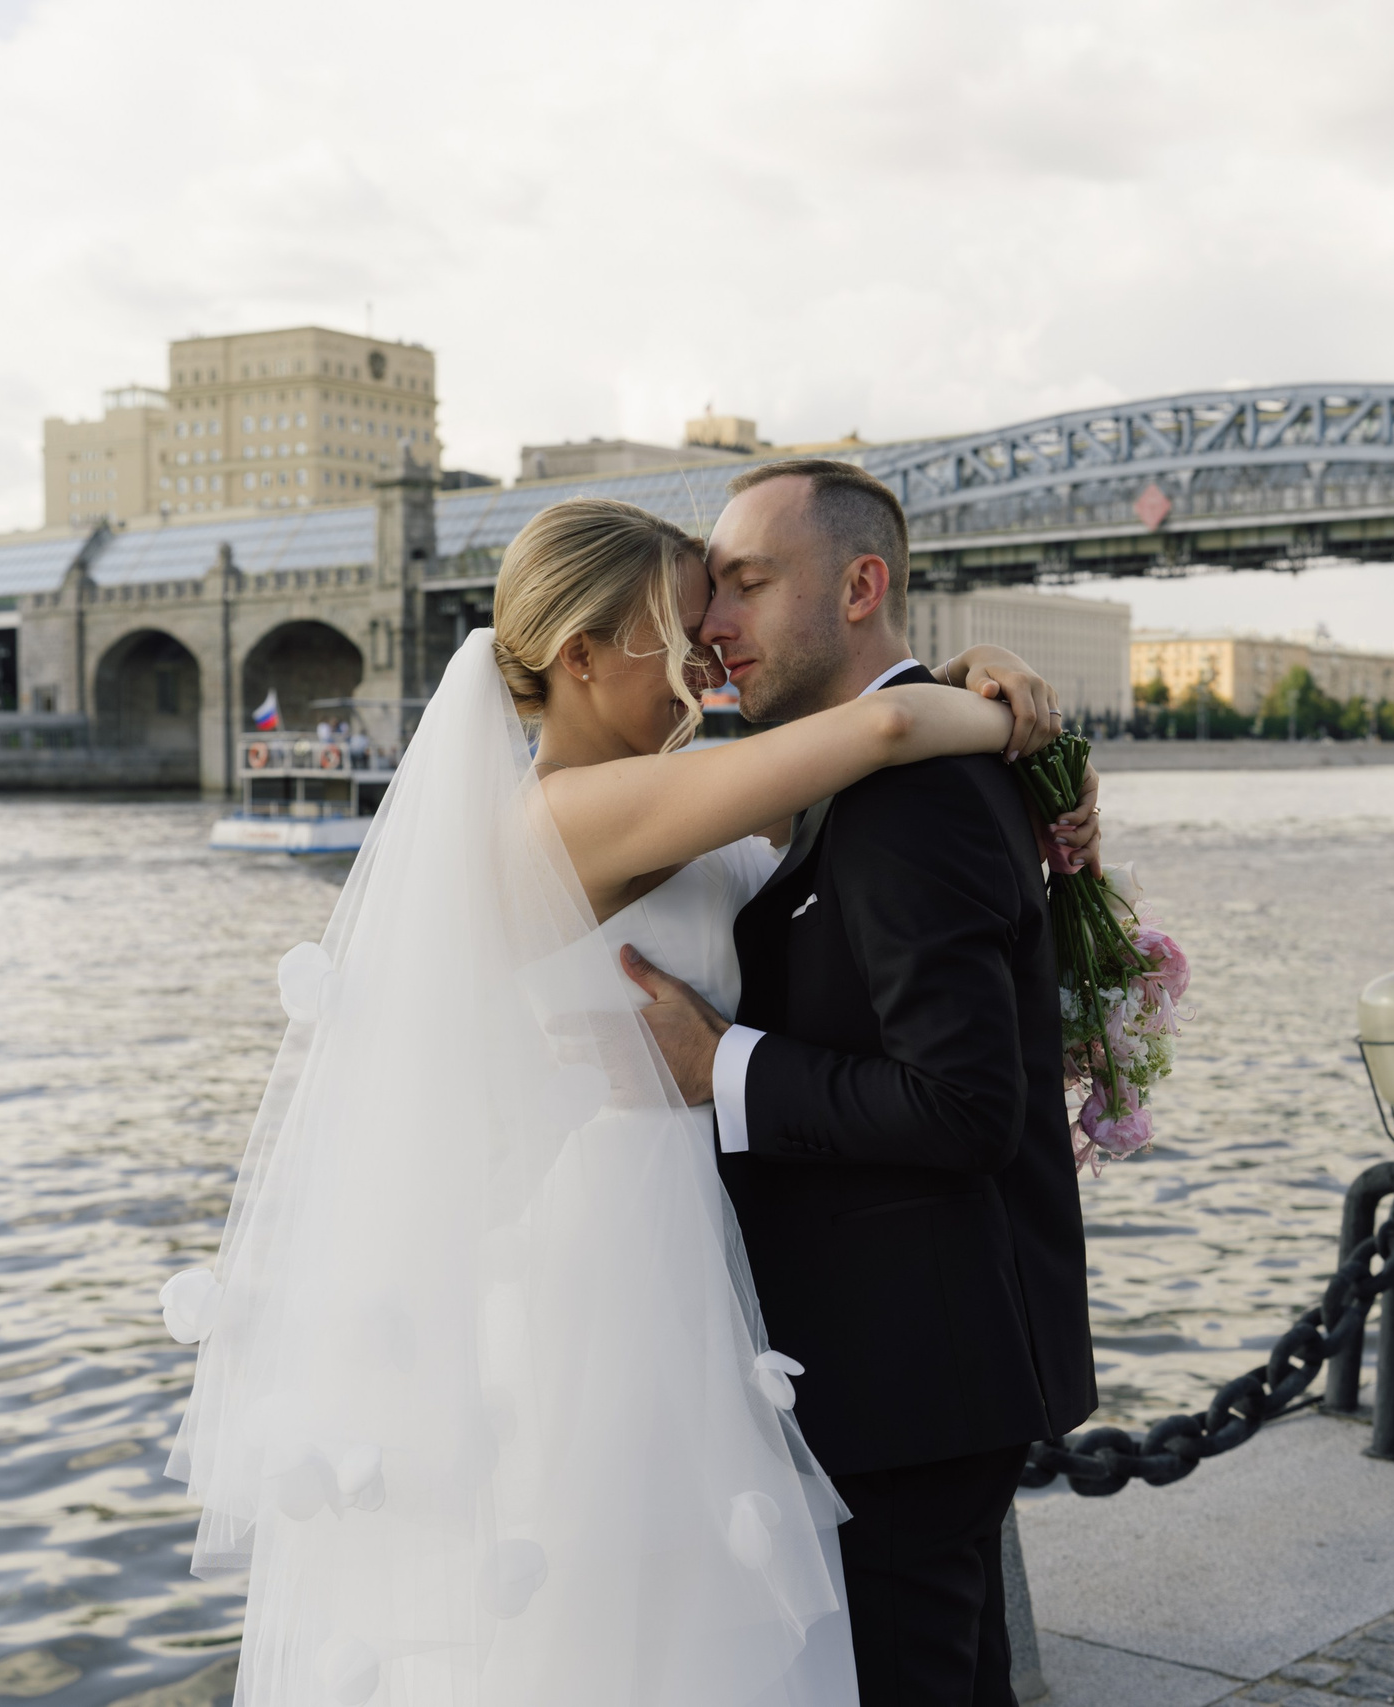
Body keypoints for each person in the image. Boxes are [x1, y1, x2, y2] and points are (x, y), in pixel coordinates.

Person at [161, 494, 1098, 1707]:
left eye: (718, 613)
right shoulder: (562, 815)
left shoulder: (679, 785)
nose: (708, 651)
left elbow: (829, 798)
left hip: (715, 1262)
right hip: (601, 1271)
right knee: (614, 1617)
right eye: (677, 625)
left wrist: (996, 678)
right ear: (582, 656)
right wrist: (987, 706)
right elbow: (871, 738)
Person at [624, 461, 1097, 1707]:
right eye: (703, 594)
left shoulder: (911, 799)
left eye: (746, 583)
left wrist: (714, 1062)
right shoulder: (863, 775)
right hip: (910, 1352)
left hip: (907, 1368)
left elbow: (963, 1106)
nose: (708, 626)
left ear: (859, 587)